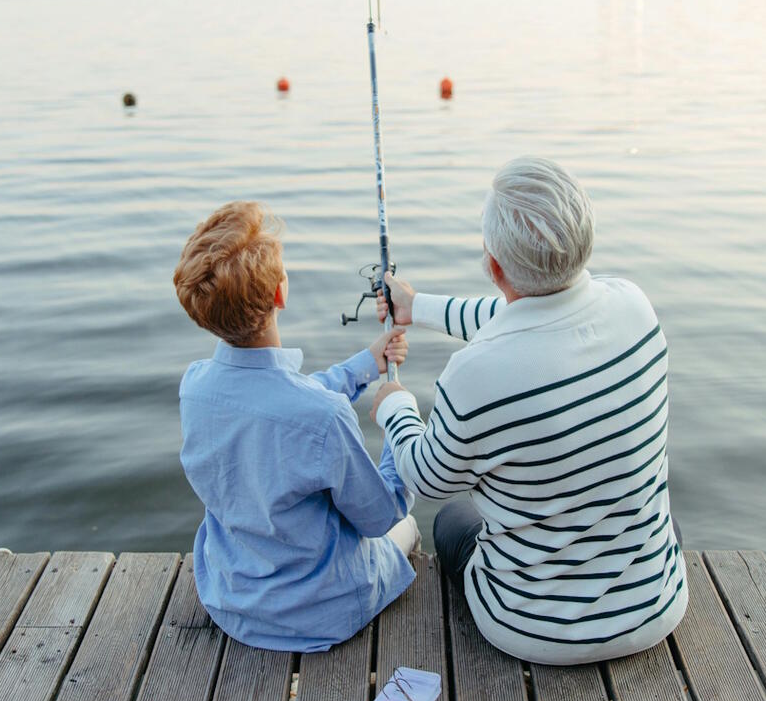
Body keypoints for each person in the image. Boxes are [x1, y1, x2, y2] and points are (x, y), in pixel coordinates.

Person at [371, 157, 687, 665]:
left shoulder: (474, 375)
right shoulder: (634, 306)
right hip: (657, 607)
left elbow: (426, 480)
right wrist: (418, 307)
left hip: (533, 630)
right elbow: (530, 313)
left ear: (495, 268)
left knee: (454, 518)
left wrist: (397, 409)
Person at [173, 200, 419, 652]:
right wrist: (399, 428)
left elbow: (280, 400)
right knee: (408, 525)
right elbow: (379, 516)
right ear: (279, 295)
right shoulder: (322, 416)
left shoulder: (195, 387)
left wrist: (366, 365)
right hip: (320, 614)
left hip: (231, 600)